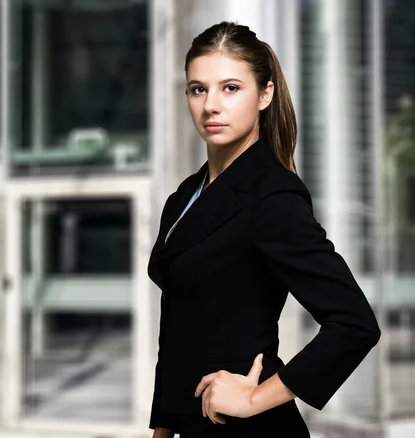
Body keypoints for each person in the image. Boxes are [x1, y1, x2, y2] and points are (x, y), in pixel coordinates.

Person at [147, 21, 381, 438]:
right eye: (198, 89)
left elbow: (354, 324)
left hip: (248, 429)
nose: (211, 105)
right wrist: (162, 430)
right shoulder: (183, 196)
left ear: (265, 94)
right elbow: (179, 331)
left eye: (230, 88)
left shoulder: (273, 197)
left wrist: (255, 398)